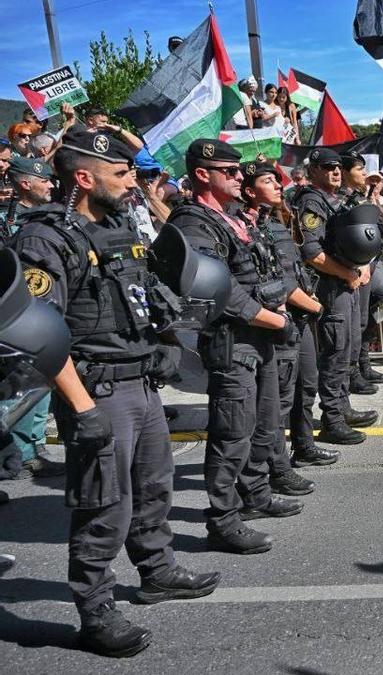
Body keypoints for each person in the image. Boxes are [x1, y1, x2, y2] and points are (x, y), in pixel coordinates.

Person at [13, 128, 220, 657]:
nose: (133, 182)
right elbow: (39, 330)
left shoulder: (119, 225)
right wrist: (81, 406)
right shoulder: (45, 238)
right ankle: (96, 609)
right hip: (96, 387)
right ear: (84, 177)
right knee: (103, 504)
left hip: (141, 379)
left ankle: (157, 571)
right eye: (122, 173)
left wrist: (168, 340)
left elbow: (144, 295)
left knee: (154, 489)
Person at [167, 139, 303, 554]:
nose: (238, 177)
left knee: (263, 423)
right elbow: (219, 291)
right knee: (231, 433)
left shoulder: (230, 218)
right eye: (229, 171)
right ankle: (223, 520)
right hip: (232, 340)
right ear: (202, 174)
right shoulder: (193, 223)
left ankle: (256, 494)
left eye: (238, 170)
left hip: (258, 337)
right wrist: (275, 318)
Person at [237, 160, 338, 491]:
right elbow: (279, 281)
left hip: (299, 319)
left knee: (306, 385)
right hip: (282, 320)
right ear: (250, 191)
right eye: (269, 181)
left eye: (277, 180)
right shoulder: (249, 228)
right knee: (278, 401)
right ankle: (275, 468)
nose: (278, 185)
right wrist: (314, 305)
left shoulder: (276, 222)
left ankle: (303, 446)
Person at [294, 149, 377, 443]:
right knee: (335, 350)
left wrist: (358, 267)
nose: (335, 171)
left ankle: (342, 407)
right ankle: (332, 419)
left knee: (349, 346)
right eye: (327, 167)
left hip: (346, 282)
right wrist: (347, 274)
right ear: (313, 170)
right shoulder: (311, 202)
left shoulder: (334, 199)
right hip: (330, 285)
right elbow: (312, 253)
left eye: (337, 167)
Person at [0, 156, 64, 479]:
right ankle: (20, 451)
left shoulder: (51, 219)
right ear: (26, 183)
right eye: (45, 180)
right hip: (13, 314)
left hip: (38, 311)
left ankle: (30, 447)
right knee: (20, 386)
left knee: (39, 385)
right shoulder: (7, 219)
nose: (51, 185)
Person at [338, 151, 383, 393]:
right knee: (353, 324)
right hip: (348, 272)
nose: (365, 174)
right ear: (345, 172)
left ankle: (364, 362)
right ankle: (351, 373)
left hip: (369, 266)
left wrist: (375, 199)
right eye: (360, 169)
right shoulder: (336, 201)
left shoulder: (364, 198)